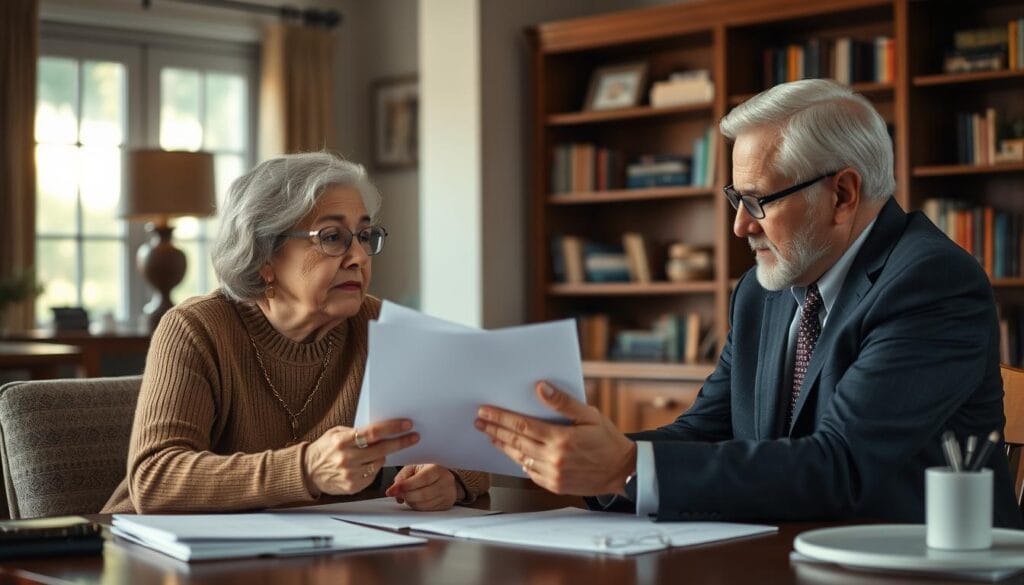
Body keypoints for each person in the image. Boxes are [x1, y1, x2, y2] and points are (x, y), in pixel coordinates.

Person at [475, 79, 1022, 527]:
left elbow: (842, 465)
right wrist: (523, 460)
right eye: (736, 199)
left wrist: (626, 467)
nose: (739, 226)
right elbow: (704, 433)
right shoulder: (764, 291)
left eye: (758, 201)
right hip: (778, 554)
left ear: (843, 195)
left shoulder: (931, 281)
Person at [103, 152, 488, 514]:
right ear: (265, 257)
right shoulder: (197, 329)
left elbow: (475, 442)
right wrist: (306, 469)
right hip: (150, 558)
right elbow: (155, 480)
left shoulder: (379, 326)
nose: (358, 257)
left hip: (320, 556)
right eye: (333, 237)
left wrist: (450, 479)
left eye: (364, 236)